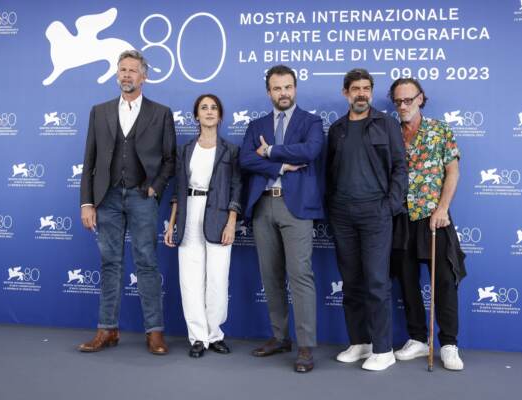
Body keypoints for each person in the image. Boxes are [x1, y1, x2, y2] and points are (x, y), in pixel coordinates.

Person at [78, 50, 176, 355]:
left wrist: (155, 188)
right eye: (122, 70)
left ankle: (154, 332)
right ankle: (106, 329)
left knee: (146, 263)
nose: (127, 75)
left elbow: (170, 159)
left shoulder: (160, 113)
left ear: (144, 76)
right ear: (116, 74)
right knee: (110, 264)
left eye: (133, 70)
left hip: (141, 197)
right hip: (106, 198)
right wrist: (86, 203)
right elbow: (89, 161)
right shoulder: (100, 111)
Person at [239, 64, 324, 373]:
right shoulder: (255, 125)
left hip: (296, 207)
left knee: (300, 275)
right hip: (263, 206)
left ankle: (305, 346)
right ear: (269, 92)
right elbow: (246, 159)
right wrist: (281, 166)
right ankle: (279, 337)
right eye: (277, 88)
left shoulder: (311, 122)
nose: (283, 93)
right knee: (270, 276)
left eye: (288, 87)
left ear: (295, 88)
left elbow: (310, 151)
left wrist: (272, 151)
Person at [326, 68, 407, 371]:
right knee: (351, 282)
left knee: (376, 281)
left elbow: (400, 167)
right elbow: (329, 172)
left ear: (371, 92)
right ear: (346, 93)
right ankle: (359, 342)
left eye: (366, 88)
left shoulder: (386, 124)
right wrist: (332, 207)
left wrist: (390, 205)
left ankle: (383, 349)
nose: (361, 93)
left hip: (376, 212)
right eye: (356, 88)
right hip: (342, 214)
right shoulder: (337, 129)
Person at [388, 78, 466, 371]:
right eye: (398, 101)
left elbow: (453, 171)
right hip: (400, 218)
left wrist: (443, 208)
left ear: (421, 98)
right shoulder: (390, 133)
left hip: (435, 216)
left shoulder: (440, 130)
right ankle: (418, 339)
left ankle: (448, 343)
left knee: (444, 281)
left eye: (409, 99)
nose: (403, 106)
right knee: (407, 281)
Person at [164, 94, 242, 358]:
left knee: (218, 279)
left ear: (220, 116)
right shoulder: (185, 150)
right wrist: (172, 223)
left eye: (214, 108)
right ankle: (197, 337)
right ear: (196, 116)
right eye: (203, 108)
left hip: (219, 216)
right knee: (190, 279)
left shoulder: (231, 150)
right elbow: (177, 189)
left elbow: (236, 188)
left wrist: (232, 221)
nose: (209, 112)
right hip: (189, 213)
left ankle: (214, 334)